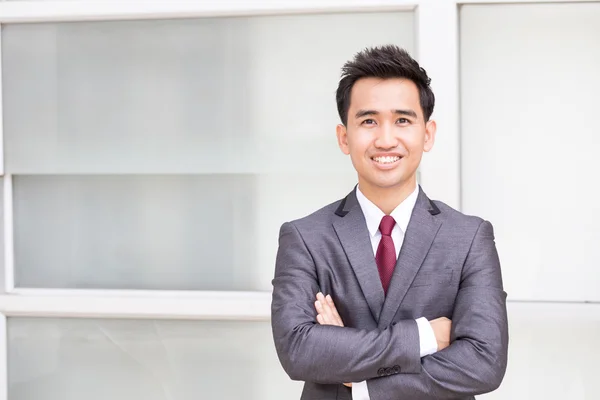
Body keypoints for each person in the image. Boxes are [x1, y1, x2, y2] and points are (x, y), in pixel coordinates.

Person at [270, 45, 508, 400]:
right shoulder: (304, 237)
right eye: (368, 121)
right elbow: (299, 350)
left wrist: (356, 376)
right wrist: (425, 337)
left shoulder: (470, 237)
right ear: (344, 137)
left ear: (427, 134)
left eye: (402, 120)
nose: (385, 139)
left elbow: (484, 362)